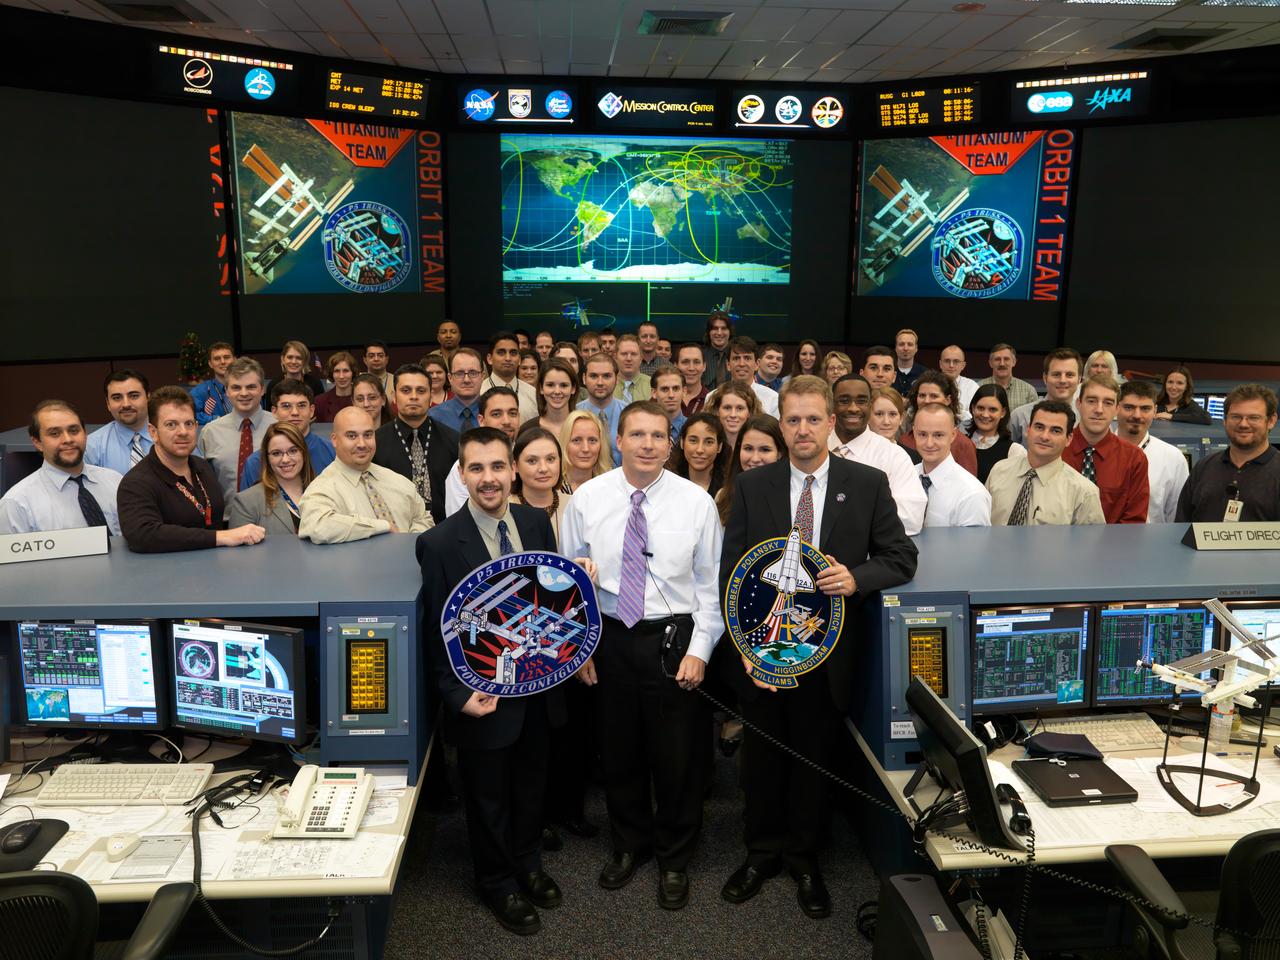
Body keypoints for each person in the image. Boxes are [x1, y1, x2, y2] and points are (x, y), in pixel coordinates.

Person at [719, 375, 916, 918]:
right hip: (764, 652)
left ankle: (805, 860)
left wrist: (855, 578)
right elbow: (731, 570)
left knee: (813, 763)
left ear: (831, 422)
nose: (802, 429)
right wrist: (747, 649)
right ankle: (761, 854)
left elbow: (901, 557)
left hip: (829, 658)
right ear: (780, 425)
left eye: (812, 419)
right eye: (792, 420)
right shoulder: (753, 485)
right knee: (761, 763)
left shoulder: (868, 483)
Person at [560, 401, 724, 912]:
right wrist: (578, 649)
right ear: (618, 440)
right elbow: (566, 584)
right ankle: (629, 844)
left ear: (670, 444)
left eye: (658, 436)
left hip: (673, 640)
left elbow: (710, 587)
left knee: (677, 756)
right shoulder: (586, 499)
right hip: (609, 637)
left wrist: (700, 651)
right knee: (619, 750)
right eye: (637, 435)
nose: (648, 445)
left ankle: (675, 857)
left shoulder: (696, 503)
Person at [417, 426, 574, 936]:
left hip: (538, 689)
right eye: (477, 468)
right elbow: (436, 631)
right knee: (488, 797)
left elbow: (552, 601)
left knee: (531, 786)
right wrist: (456, 695)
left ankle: (528, 864)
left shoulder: (535, 522)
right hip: (481, 695)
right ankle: (497, 882)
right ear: (462, 476)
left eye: (498, 466)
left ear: (513, 470)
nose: (489, 478)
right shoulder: (439, 543)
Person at [117, 387, 265, 551]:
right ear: (153, 432)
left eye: (188, 424)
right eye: (171, 425)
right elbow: (143, 535)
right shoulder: (136, 483)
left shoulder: (203, 466)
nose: (183, 432)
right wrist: (221, 537)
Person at [299, 407, 432, 542]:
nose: (362, 444)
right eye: (352, 436)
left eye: (368, 435)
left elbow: (423, 519)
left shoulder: (397, 481)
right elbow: (317, 526)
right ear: (334, 440)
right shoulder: (322, 488)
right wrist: (381, 527)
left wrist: (410, 545)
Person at [0, 400, 122, 535]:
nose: (68, 439)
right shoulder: (17, 503)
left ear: (85, 434)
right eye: (55, 433)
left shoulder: (115, 481)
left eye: (74, 430)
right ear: (37, 442)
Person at [829, 376, 927, 536]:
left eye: (861, 401)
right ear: (831, 405)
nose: (853, 408)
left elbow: (911, 519)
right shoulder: (814, 449)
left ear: (869, 406)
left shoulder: (894, 455)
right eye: (844, 401)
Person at [986, 401, 1105, 526]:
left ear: (1069, 439)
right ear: (1028, 430)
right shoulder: (999, 471)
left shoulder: (1084, 492)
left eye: (1055, 431)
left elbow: (1090, 538)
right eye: (1039, 427)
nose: (1044, 436)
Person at [1177, 384, 1280, 522]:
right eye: (1236, 417)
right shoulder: (1204, 467)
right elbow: (1181, 524)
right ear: (1225, 420)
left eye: (1254, 417)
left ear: (1271, 421)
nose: (1243, 424)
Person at [373, 363, 460, 525]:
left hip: (446, 527)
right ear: (394, 396)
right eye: (406, 390)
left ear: (431, 397)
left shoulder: (453, 441)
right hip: (395, 529)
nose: (413, 396)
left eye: (421, 391)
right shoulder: (375, 443)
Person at [1063, 375, 1149, 524]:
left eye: (1108, 403)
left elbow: (1133, 522)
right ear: (1078, 404)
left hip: (1114, 539)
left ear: (1117, 409)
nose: (1099, 410)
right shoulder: (1056, 450)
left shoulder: (1134, 458)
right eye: (1091, 401)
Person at [196, 356, 273, 513]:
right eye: (236, 387)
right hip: (226, 519)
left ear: (262, 389)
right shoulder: (210, 433)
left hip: (272, 516)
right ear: (227, 391)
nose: (244, 393)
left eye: (251, 387)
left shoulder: (280, 428)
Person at [238, 379, 335, 491]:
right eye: (286, 406)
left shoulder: (333, 453)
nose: (295, 412)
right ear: (274, 412)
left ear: (312, 410)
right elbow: (247, 501)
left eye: (301, 405)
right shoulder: (256, 462)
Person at [1116, 380, 1188, 524]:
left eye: (1145, 409)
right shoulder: (1096, 452)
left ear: (1155, 411)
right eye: (1129, 407)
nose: (1137, 415)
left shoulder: (1173, 459)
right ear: (1116, 407)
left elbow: (1177, 518)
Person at [444, 386, 520, 515]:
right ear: (481, 420)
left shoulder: (528, 458)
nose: (506, 421)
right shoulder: (465, 466)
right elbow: (458, 519)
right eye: (496, 414)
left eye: (512, 413)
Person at [229, 421, 314, 535]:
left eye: (293, 451)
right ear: (267, 458)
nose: (285, 459)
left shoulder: (325, 492)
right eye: (276, 453)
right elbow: (239, 546)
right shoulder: (246, 502)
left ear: (303, 453)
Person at [914, 404, 991, 527]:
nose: (929, 443)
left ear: (953, 435)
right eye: (922, 434)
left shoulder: (972, 494)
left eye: (938, 435)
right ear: (914, 433)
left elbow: (974, 540)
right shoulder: (904, 478)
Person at [900, 371, 979, 476]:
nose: (926, 401)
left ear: (948, 400)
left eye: (933, 396)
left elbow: (967, 481)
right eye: (922, 395)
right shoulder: (905, 440)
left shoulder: (963, 445)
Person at [714, 414, 786, 527]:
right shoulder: (723, 496)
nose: (755, 458)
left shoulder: (792, 496)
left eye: (765, 450)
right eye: (748, 448)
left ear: (780, 453)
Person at [85, 369, 153, 475]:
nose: (126, 404)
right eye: (117, 398)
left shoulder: (171, 436)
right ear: (108, 403)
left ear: (148, 397)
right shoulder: (91, 447)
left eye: (134, 396)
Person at [1009, 348, 1083, 444]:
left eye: (1069, 375)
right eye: (1056, 374)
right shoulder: (1020, 416)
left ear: (1079, 379)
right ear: (1045, 378)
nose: (1062, 380)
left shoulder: (1085, 418)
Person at [511, 427, 572, 532]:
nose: (543, 468)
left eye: (550, 459)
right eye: (532, 461)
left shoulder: (574, 505)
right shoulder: (504, 510)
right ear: (515, 466)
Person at [966, 384, 1026, 485]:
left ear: (1003, 412)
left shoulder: (1014, 451)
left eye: (992, 409)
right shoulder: (958, 444)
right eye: (980, 408)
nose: (985, 415)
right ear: (973, 408)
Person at [708, 337, 779, 417]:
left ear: (757, 364)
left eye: (747, 358)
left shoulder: (773, 398)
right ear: (728, 365)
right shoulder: (712, 397)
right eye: (736, 358)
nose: (742, 364)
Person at [576, 353, 625, 467]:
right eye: (593, 376)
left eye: (606, 376)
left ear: (617, 379)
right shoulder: (574, 414)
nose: (600, 382)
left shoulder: (630, 414)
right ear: (584, 379)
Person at [482, 331, 538, 423]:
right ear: (489, 358)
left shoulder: (533, 394)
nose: (508, 358)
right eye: (501, 353)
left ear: (519, 360)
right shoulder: (479, 393)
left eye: (513, 353)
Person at [668, 413, 729, 497]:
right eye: (693, 441)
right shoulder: (669, 484)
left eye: (709, 442)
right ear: (682, 442)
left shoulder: (730, 487)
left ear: (719, 447)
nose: (700, 450)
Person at [430, 347, 486, 434]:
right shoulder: (433, 417)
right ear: (450, 378)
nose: (466, 380)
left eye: (473, 373)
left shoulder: (495, 415)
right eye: (459, 373)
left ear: (482, 376)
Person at [559, 410, 612, 493]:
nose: (585, 449)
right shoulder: (551, 489)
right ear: (565, 444)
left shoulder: (611, 488)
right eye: (576, 440)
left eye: (592, 440)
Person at [526, 357, 578, 438]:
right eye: (550, 385)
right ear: (541, 388)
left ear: (573, 389)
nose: (557, 391)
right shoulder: (528, 429)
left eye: (564, 385)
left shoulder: (586, 427)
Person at [868, 386, 921, 465]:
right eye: (879, 414)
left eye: (892, 414)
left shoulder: (914, 458)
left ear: (901, 418)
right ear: (868, 417)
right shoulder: (855, 454)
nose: (886, 422)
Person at [979, 343, 1039, 410]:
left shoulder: (1029, 391)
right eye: (997, 359)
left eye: (1006, 359)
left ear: (1014, 362)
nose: (1002, 364)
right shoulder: (978, 387)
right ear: (990, 363)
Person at [263, 340, 325, 405]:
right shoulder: (273, 385)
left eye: (299, 358)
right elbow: (270, 410)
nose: (294, 362)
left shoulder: (315, 384)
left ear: (305, 361)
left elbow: (321, 409)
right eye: (290, 357)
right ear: (283, 359)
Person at [191, 341, 235, 426]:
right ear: (210, 364)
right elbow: (189, 414)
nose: (222, 362)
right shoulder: (200, 391)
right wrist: (216, 419)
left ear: (234, 360)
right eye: (217, 359)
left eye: (226, 357)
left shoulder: (246, 387)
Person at [707, 382, 757, 452]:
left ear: (750, 412)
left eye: (740, 408)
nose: (733, 415)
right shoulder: (706, 446)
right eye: (727, 408)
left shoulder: (759, 445)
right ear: (717, 410)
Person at [938, 345, 978, 424]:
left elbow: (975, 416)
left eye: (956, 361)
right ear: (940, 364)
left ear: (963, 365)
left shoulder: (972, 386)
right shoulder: (930, 384)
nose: (951, 365)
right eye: (947, 361)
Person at [315, 351, 358, 423]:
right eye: (337, 371)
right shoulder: (320, 402)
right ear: (332, 374)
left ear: (353, 373)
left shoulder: (362, 399)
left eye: (346, 371)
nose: (341, 376)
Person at [649, 364, 686, 443]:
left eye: (676, 389)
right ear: (654, 393)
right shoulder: (644, 428)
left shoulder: (692, 428)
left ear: (684, 391)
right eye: (665, 389)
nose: (671, 395)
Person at [613, 334, 652, 403]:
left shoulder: (652, 385)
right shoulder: (606, 386)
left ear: (641, 358)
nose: (629, 358)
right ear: (615, 357)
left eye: (633, 354)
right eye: (624, 354)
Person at [702, 311, 734, 389]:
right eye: (715, 328)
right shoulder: (700, 356)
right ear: (708, 332)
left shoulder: (738, 356)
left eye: (724, 328)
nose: (719, 333)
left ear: (730, 332)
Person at [676, 342, 709, 416]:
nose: (691, 368)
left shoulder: (712, 400)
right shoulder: (663, 399)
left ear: (704, 366)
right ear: (676, 365)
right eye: (685, 362)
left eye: (696, 362)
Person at [892, 328, 926, 395]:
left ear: (916, 348)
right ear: (895, 348)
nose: (905, 348)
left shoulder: (925, 374)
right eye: (901, 344)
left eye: (910, 344)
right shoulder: (887, 371)